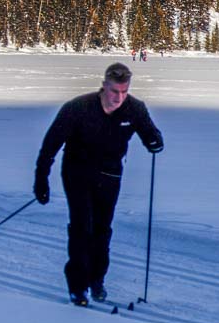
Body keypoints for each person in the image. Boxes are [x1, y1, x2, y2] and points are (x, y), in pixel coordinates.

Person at [34, 63, 163, 306]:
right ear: (104, 86)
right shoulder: (77, 108)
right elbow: (50, 145)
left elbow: (150, 133)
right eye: (114, 91)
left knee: (102, 230)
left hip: (110, 175)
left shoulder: (134, 109)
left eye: (124, 92)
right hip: (77, 172)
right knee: (82, 227)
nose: (119, 98)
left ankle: (97, 279)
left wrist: (155, 141)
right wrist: (41, 178)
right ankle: (78, 287)